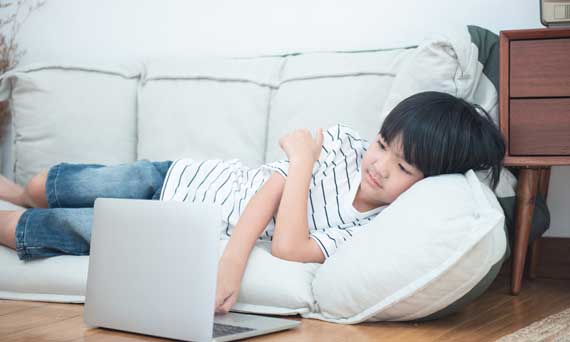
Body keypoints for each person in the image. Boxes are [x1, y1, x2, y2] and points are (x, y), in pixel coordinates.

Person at [0, 91, 505, 314]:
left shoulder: (365, 230)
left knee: (54, 227)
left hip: (174, 221)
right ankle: (13, 187)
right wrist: (234, 260)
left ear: (425, 184)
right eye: (382, 145)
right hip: (180, 175)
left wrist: (302, 158)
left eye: (403, 168)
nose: (378, 165)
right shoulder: (348, 144)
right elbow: (270, 190)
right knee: (45, 186)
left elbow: (288, 247)